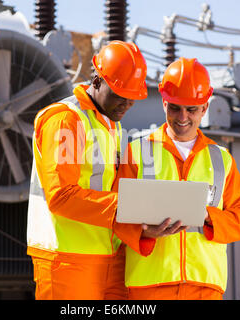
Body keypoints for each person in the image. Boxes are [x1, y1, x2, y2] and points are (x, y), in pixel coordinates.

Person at [113, 57, 240, 300]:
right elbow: (116, 216)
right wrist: (146, 234)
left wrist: (209, 216)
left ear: (205, 108)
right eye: (175, 108)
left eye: (192, 110)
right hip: (149, 285)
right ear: (164, 103)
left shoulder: (221, 159)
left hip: (204, 286)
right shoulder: (136, 152)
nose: (182, 118)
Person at [26, 40, 148, 300]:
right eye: (119, 95)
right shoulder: (66, 120)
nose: (125, 105)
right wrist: (131, 207)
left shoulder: (110, 124)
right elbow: (61, 196)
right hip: (65, 260)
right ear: (96, 79)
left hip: (103, 256)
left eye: (132, 99)